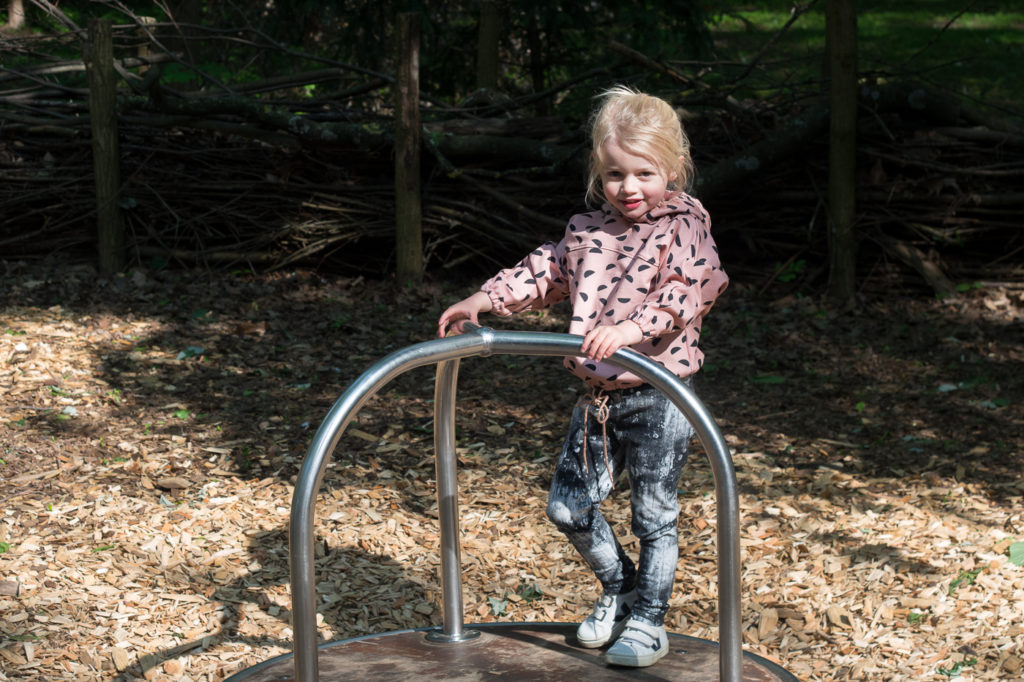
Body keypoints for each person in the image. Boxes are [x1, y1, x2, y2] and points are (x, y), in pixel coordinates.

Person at [437, 85, 728, 668]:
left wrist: (631, 328)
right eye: (615, 174)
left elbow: (688, 289)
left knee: (654, 515)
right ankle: (623, 589)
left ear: (673, 169)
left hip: (660, 393)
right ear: (599, 172)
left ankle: (649, 622)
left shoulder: (684, 228)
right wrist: (483, 300)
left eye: (644, 173)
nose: (629, 188)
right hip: (599, 397)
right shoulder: (588, 231)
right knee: (567, 508)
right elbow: (544, 272)